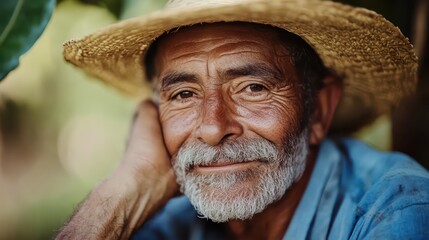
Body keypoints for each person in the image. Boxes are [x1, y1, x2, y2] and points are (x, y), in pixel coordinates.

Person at [57, 0, 429, 239]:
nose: (214, 128)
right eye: (184, 95)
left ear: (318, 109)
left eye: (252, 88)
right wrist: (126, 191)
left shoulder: (398, 210)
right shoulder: (172, 222)